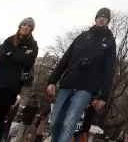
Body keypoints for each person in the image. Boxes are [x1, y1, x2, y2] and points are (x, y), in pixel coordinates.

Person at [46, 7, 117, 142]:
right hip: (68, 83)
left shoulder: (109, 41)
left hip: (86, 88)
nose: (102, 18)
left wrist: (103, 96)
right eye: (99, 16)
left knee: (69, 123)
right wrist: (52, 81)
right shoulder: (83, 36)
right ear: (96, 18)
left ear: (108, 21)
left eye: (105, 17)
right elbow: (65, 58)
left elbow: (109, 70)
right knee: (55, 122)